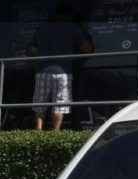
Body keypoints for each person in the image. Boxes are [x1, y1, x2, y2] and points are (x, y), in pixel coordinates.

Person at [30, 2, 92, 130]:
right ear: (68, 15)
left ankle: (38, 130)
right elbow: (86, 48)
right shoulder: (73, 27)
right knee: (59, 104)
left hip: (42, 70)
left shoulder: (41, 28)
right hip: (63, 71)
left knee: (40, 103)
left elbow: (34, 50)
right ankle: (56, 131)